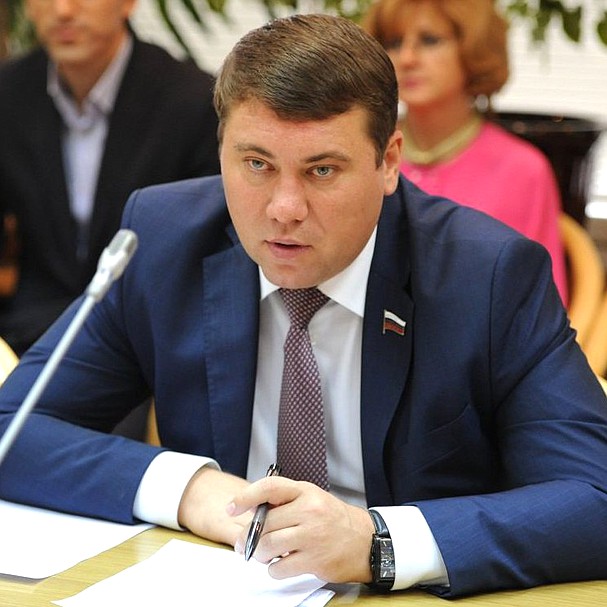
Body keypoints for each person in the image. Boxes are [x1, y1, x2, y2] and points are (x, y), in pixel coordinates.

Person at [0, 13, 606, 599]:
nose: (284, 208)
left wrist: (377, 543)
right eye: (256, 165)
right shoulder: (165, 241)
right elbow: (12, 429)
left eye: (321, 171)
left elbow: (595, 497)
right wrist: (196, 492)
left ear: (389, 161)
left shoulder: (487, 276)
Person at [0, 0, 220, 356]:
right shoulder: (9, 93)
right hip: (31, 334)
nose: (63, 10)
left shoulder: (192, 101)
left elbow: (206, 249)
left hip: (145, 337)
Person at [362, 0, 568, 304]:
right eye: (393, 43)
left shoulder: (522, 169)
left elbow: (543, 307)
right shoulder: (361, 151)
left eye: (429, 40)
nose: (406, 58)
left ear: (474, 48)